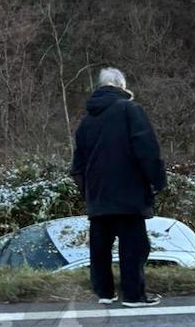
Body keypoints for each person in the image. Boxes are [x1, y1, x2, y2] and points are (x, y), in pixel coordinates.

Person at [71, 68, 167, 307]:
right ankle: (134, 295)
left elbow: (78, 166)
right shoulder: (130, 110)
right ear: (120, 85)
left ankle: (105, 293)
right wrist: (157, 180)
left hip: (98, 196)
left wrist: (88, 191)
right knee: (134, 245)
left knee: (100, 247)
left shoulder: (86, 121)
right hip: (128, 192)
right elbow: (146, 149)